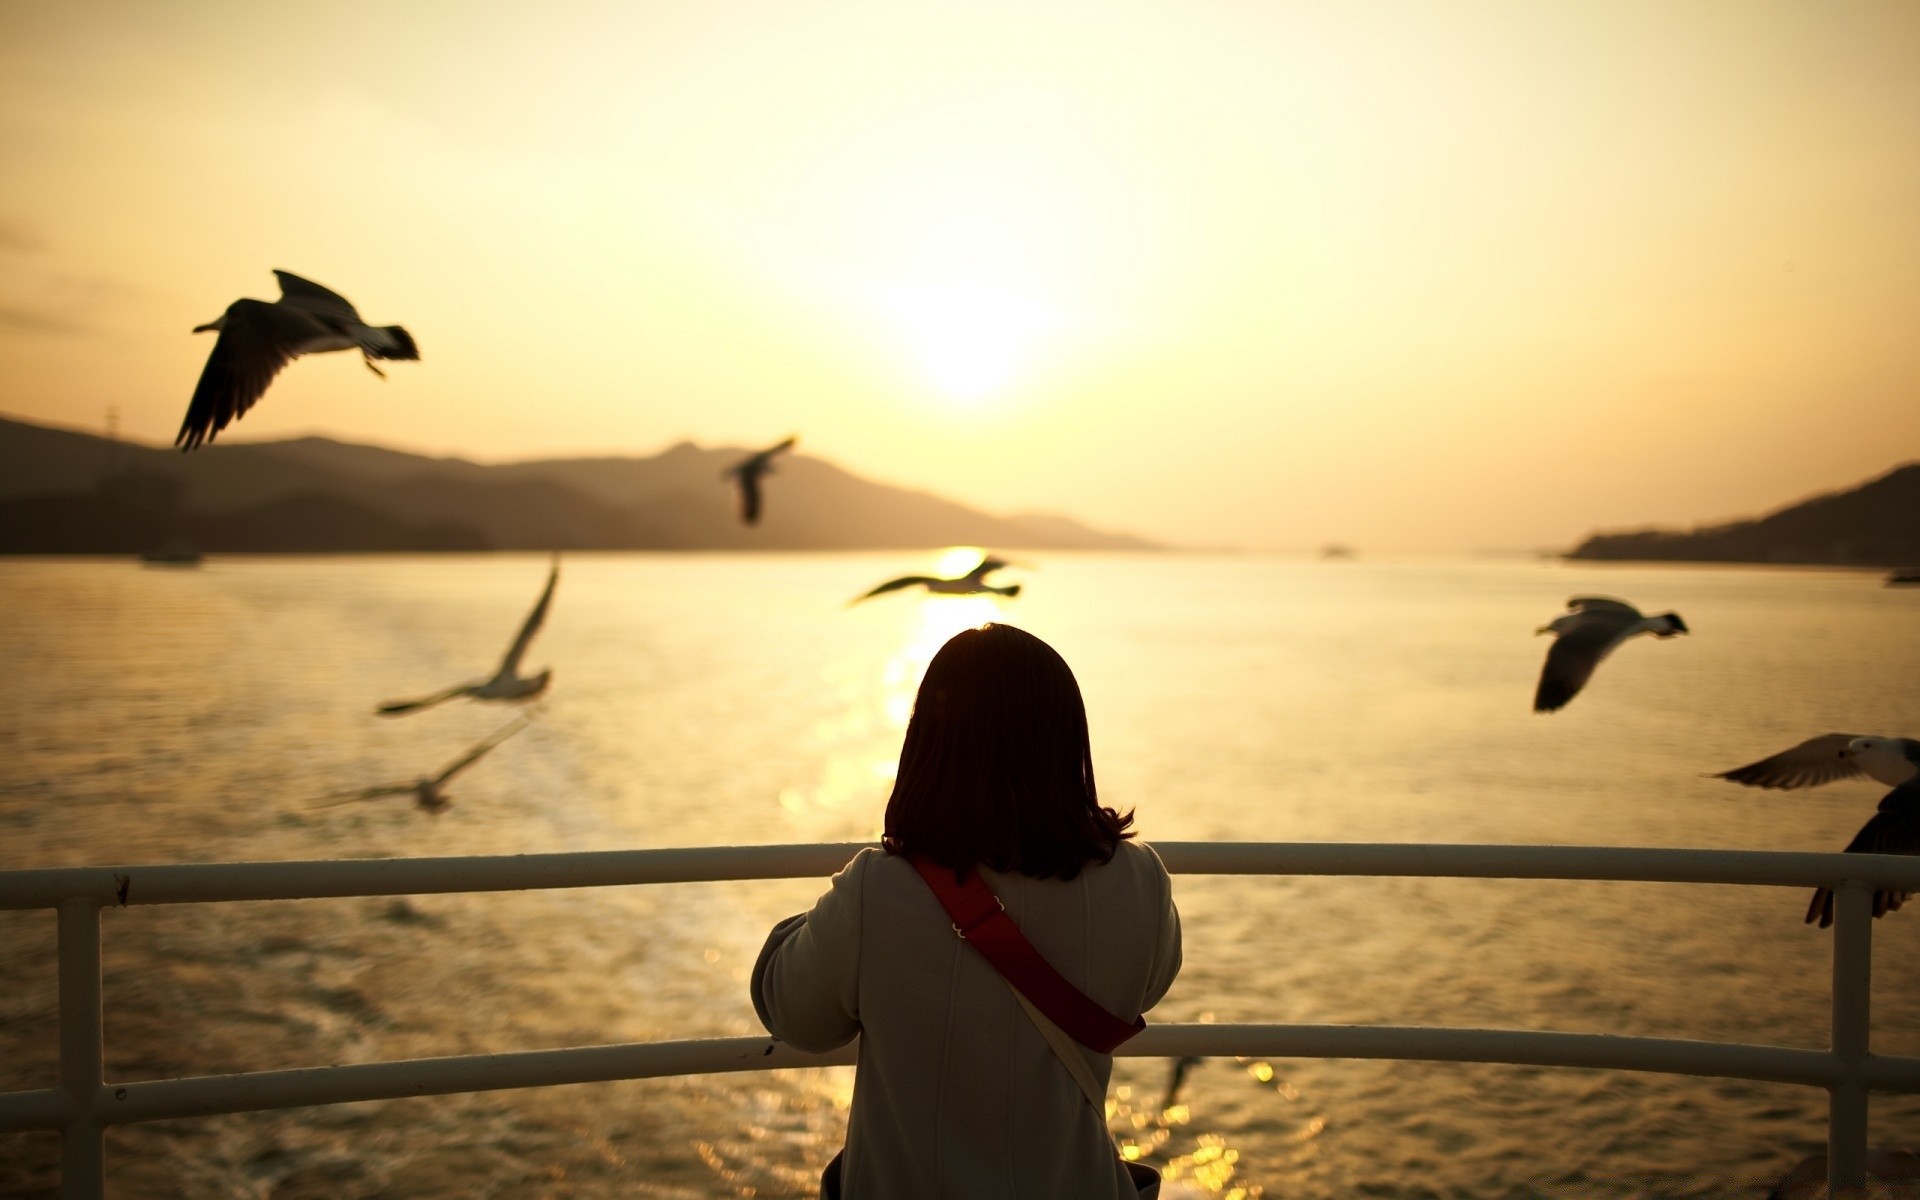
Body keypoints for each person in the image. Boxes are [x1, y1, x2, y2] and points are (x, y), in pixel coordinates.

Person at [753, 623, 1183, 1199]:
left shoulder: (877, 891)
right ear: (1067, 743)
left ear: (927, 744)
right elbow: (1143, 989)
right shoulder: (1140, 881)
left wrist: (803, 929)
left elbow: (799, 1019)